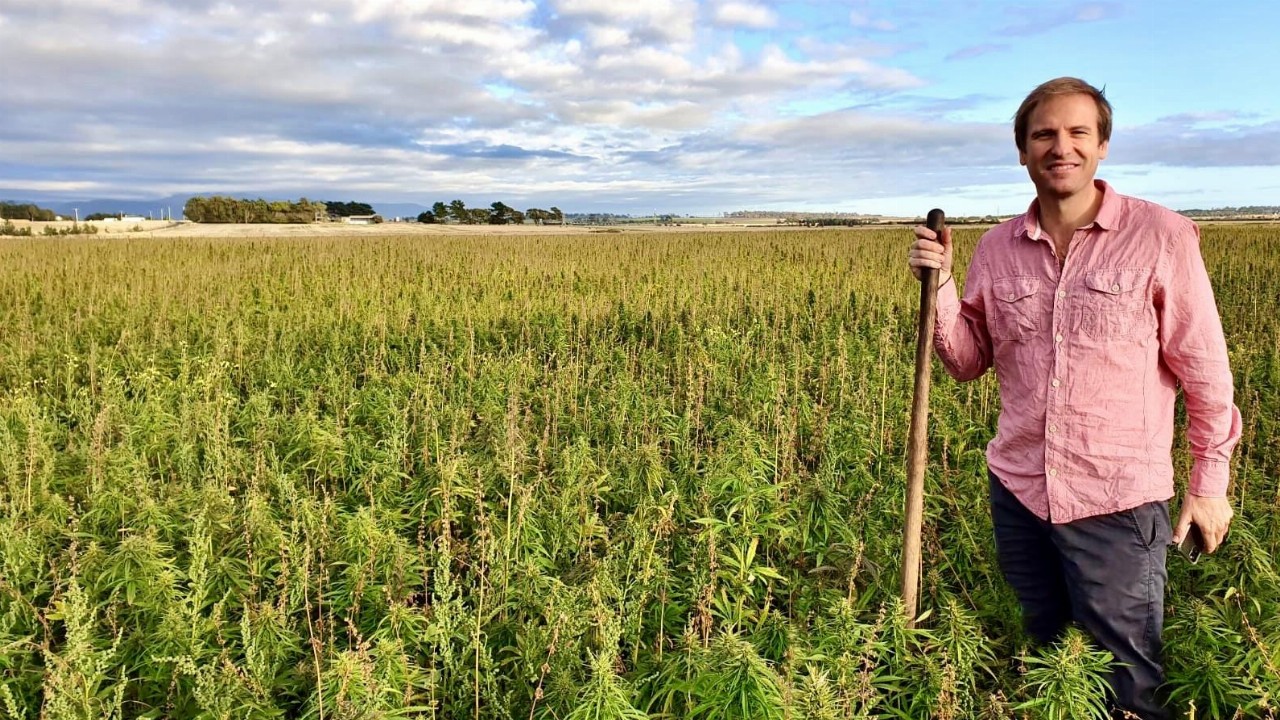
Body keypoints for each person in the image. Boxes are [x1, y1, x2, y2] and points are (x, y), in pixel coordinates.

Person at [907, 77, 1241, 719]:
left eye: (1077, 132)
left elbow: (1206, 373)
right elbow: (968, 360)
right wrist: (942, 282)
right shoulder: (998, 248)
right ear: (1023, 151)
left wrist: (1209, 485)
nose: (1061, 147)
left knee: (1126, 681)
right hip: (1020, 492)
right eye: (1044, 135)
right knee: (1050, 663)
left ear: (1102, 145)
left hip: (1116, 500)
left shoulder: (1162, 236)